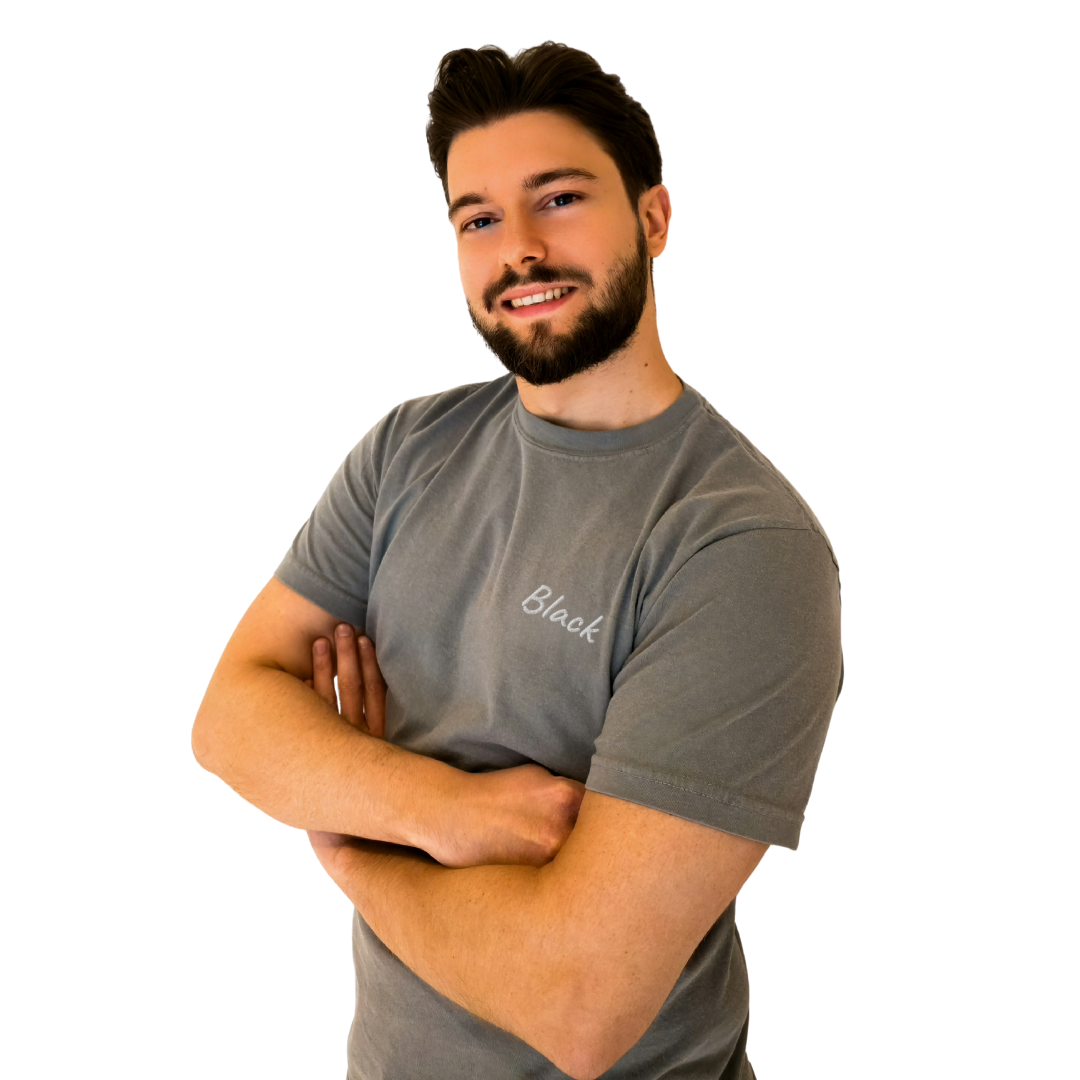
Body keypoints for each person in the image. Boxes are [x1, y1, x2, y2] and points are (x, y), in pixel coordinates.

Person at [192, 41, 843, 1080]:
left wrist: (351, 841)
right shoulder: (409, 453)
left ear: (655, 218)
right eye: (480, 219)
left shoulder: (738, 549)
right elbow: (230, 718)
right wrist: (435, 810)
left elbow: (579, 1005)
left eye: (560, 198)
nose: (521, 250)